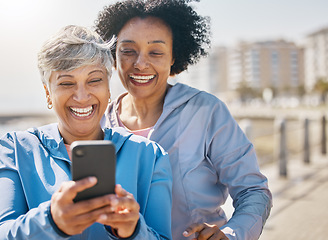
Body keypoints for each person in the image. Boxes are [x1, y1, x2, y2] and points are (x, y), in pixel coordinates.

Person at [95, 0, 272, 239]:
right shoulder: (100, 123)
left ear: (173, 57)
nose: (140, 64)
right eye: (128, 51)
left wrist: (231, 234)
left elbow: (253, 190)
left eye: (156, 52)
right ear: (114, 55)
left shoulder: (207, 112)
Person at [0, 25, 172, 240]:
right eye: (66, 83)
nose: (82, 96)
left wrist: (133, 230)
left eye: (94, 80)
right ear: (48, 93)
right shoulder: (16, 149)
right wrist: (50, 221)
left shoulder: (150, 155)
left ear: (108, 87)